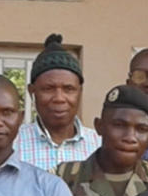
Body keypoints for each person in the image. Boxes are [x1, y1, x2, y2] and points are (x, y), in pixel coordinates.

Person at [16, 35, 98, 170]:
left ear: (80, 92)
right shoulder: (13, 144)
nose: (59, 98)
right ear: (32, 92)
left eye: (69, 89)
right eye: (48, 89)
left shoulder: (99, 145)